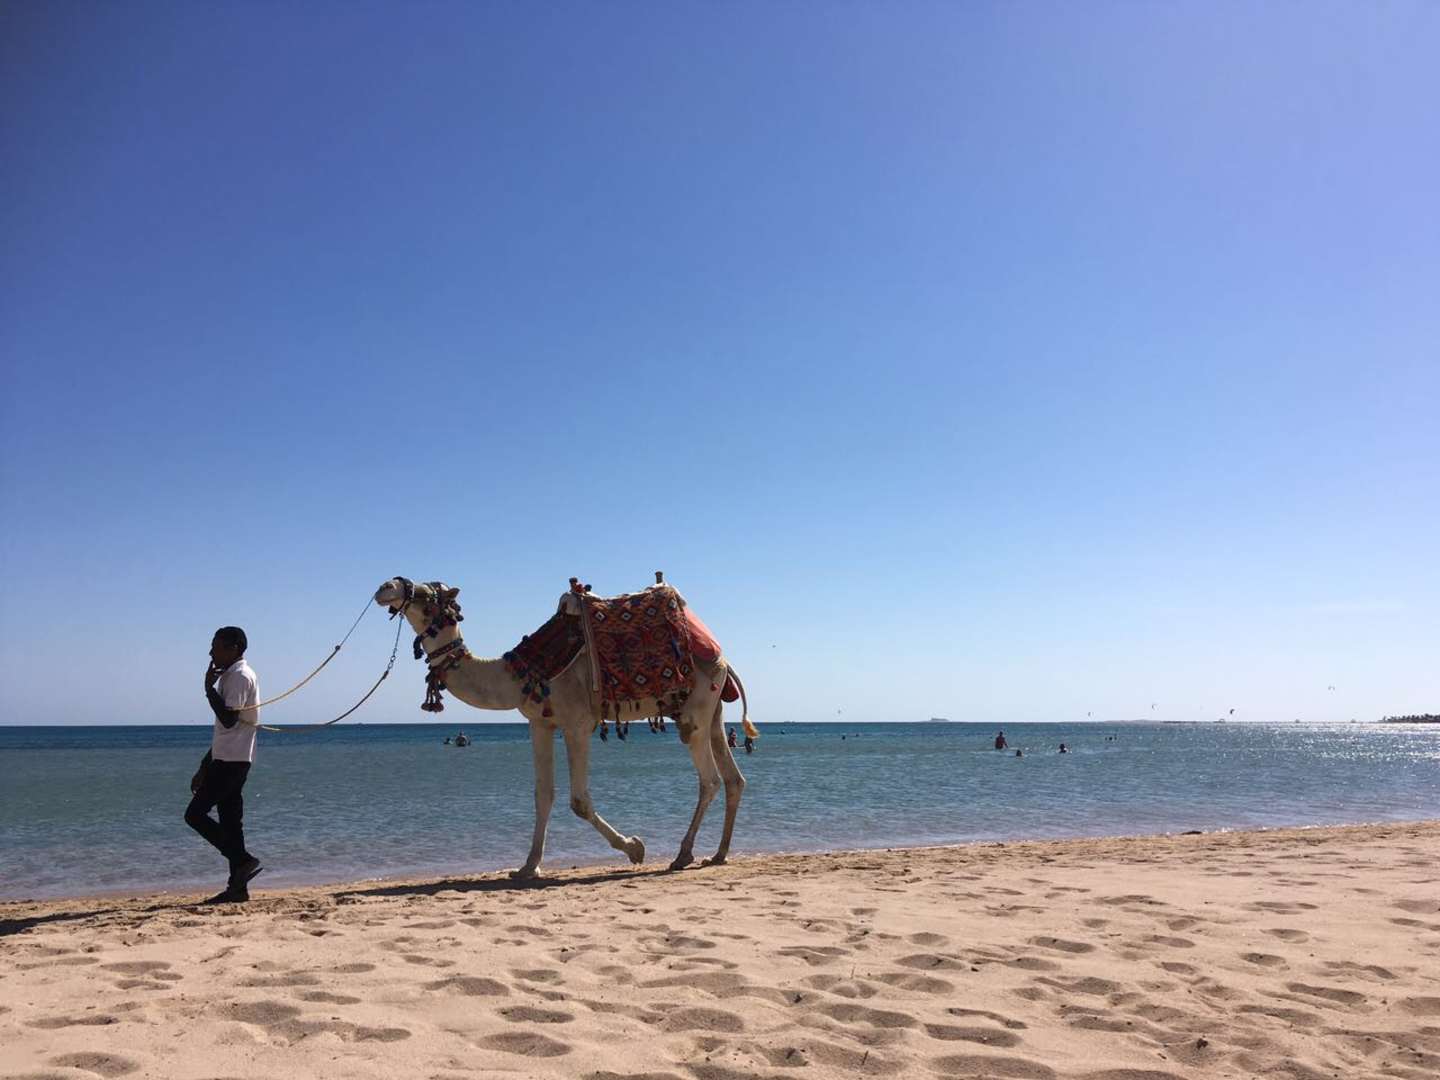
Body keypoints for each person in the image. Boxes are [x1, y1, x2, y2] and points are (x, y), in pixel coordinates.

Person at [186, 626, 262, 904]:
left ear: (234, 649)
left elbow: (229, 720)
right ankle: (237, 889)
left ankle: (242, 860)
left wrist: (208, 689)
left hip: (232, 760)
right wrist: (205, 765)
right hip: (229, 757)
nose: (211, 653)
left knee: (194, 815)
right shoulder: (231, 676)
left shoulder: (240, 676)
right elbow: (225, 730)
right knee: (231, 824)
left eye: (216, 647)